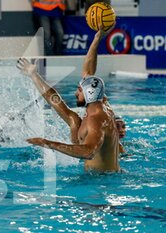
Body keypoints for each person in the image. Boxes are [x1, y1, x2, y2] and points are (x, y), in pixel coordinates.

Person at [16, 25, 120, 172]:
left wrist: (48, 143)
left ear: (89, 94)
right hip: (101, 178)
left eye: (79, 90)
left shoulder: (96, 120)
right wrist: (97, 39)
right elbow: (88, 71)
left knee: (72, 118)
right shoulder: (101, 102)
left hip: (101, 183)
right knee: (70, 116)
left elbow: (88, 152)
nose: (76, 94)